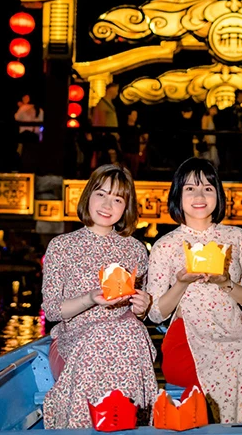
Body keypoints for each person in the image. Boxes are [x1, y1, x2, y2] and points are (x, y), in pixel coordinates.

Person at [146, 157, 242, 424]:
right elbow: (155, 314)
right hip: (187, 341)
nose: (199, 196)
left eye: (208, 188)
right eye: (190, 189)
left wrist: (226, 283)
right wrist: (182, 283)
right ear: (178, 195)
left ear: (218, 195)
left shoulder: (236, 238)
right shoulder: (166, 245)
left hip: (236, 336)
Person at [41, 164, 158, 428]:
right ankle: (83, 424)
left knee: (129, 330)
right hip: (75, 338)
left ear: (125, 208)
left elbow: (139, 310)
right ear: (88, 196)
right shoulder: (62, 246)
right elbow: (52, 311)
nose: (108, 204)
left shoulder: (136, 250)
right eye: (101, 194)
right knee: (105, 335)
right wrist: (91, 298)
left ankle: (127, 423)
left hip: (125, 338)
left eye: (118, 199)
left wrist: (143, 306)